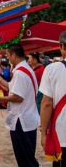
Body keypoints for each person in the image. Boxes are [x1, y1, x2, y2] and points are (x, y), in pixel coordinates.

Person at [0, 44, 39, 167]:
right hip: (28, 117)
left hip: (21, 120)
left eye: (8, 55)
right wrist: (2, 81)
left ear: (14, 55)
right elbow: (16, 89)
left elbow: (18, 97)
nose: (7, 58)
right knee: (28, 156)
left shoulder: (20, 72)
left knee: (25, 159)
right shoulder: (26, 68)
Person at [39, 30, 66, 166]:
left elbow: (47, 103)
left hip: (62, 133)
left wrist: (43, 133)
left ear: (62, 46)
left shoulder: (51, 69)